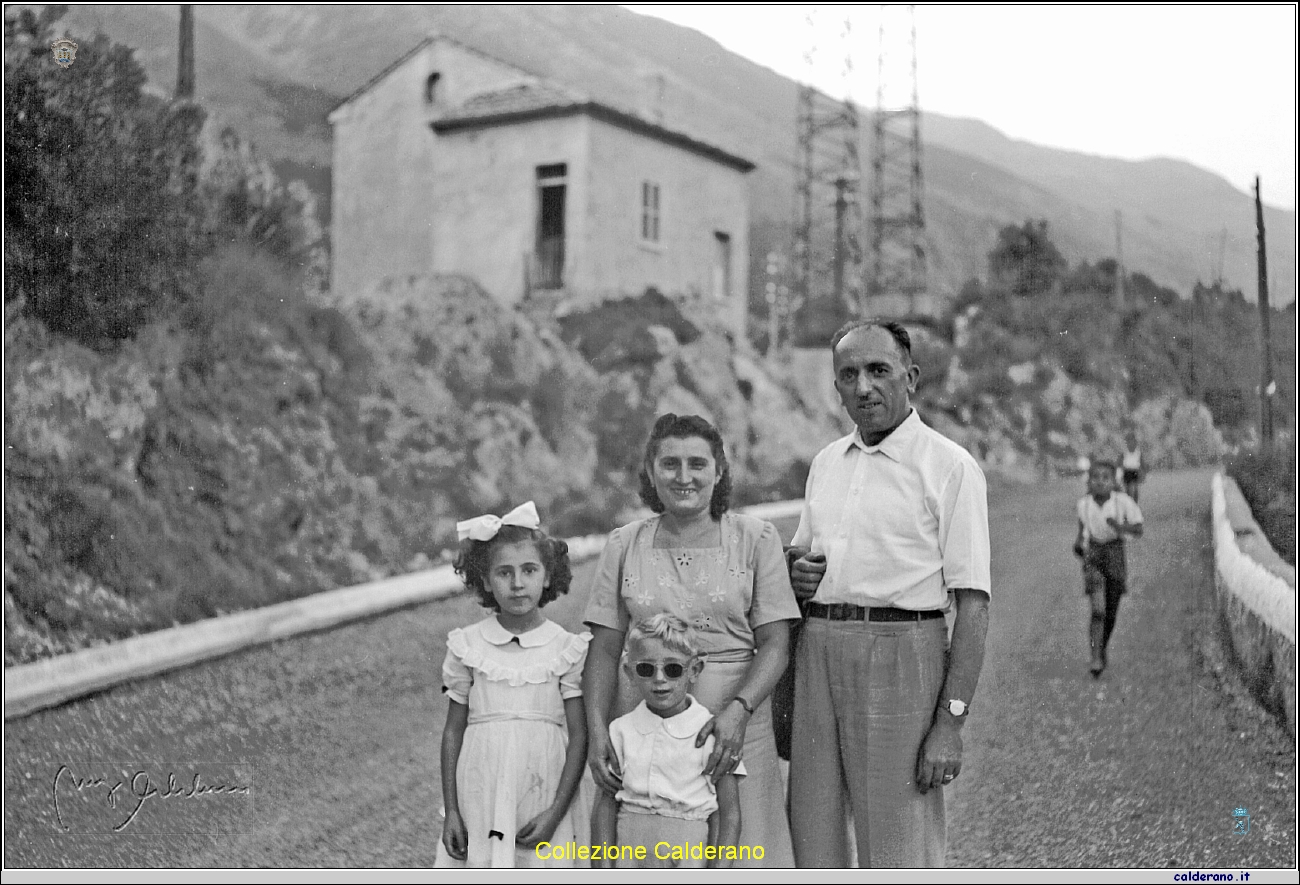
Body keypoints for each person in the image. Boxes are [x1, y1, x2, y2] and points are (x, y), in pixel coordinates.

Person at [786, 319, 992, 868]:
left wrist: (950, 722)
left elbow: (973, 603)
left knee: (899, 846)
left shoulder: (949, 468)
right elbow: (800, 557)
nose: (863, 387)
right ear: (836, 389)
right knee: (812, 833)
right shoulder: (826, 464)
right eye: (848, 375)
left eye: (879, 371)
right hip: (820, 652)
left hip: (903, 655)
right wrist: (795, 573)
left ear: (911, 377)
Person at [582, 413, 799, 868]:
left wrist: (738, 711)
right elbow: (603, 649)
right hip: (645, 728)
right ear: (650, 471)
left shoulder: (755, 539)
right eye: (670, 464)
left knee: (743, 854)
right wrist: (599, 730)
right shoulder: (624, 544)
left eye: (698, 464)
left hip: (736, 729)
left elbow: (776, 643)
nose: (684, 477)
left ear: (718, 471)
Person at [436, 501, 591, 868]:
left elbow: (579, 735)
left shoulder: (565, 648)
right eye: (504, 573)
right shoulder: (467, 646)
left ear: (547, 576)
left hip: (544, 789)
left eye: (529, 570)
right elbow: (453, 731)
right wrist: (452, 811)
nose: (517, 583)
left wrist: (555, 812)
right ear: (486, 581)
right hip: (483, 790)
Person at [591, 613, 743, 869]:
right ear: (629, 671)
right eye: (646, 669)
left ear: (694, 669)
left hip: (687, 854)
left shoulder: (712, 734)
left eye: (673, 669)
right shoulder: (621, 731)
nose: (659, 679)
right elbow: (604, 809)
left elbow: (729, 815)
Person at [1073, 460, 1144, 677]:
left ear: (1114, 481)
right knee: (1098, 609)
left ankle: (1101, 648)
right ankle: (1095, 657)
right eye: (1095, 478)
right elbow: (1082, 533)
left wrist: (1119, 526)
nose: (1100, 482)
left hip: (1115, 554)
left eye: (1105, 478)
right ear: (1089, 481)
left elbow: (1139, 528)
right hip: (1093, 556)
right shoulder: (1084, 504)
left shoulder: (1122, 502)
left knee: (1111, 610)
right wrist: (1078, 546)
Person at [1120, 431, 1144, 502]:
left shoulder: (1138, 452)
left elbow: (1141, 462)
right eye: (1128, 440)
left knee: (1135, 488)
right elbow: (1121, 462)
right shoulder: (1124, 452)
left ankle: (1135, 503)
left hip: (1135, 471)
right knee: (1127, 489)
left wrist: (1141, 472)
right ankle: (1128, 503)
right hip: (1127, 470)